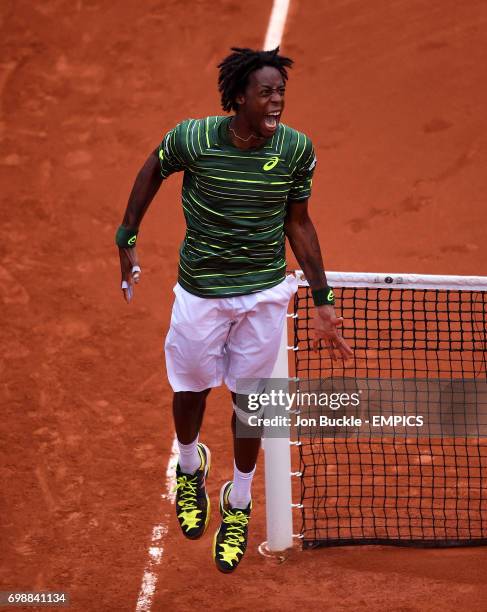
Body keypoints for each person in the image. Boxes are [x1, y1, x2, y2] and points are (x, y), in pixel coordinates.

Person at [116, 47, 353, 573]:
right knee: (191, 388)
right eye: (267, 93)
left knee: (251, 402)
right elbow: (156, 165)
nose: (277, 102)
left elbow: (300, 222)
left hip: (262, 293)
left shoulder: (295, 150)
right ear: (240, 97)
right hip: (201, 291)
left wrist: (323, 300)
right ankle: (189, 465)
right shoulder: (195, 138)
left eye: (281, 93)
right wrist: (127, 231)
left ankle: (238, 502)